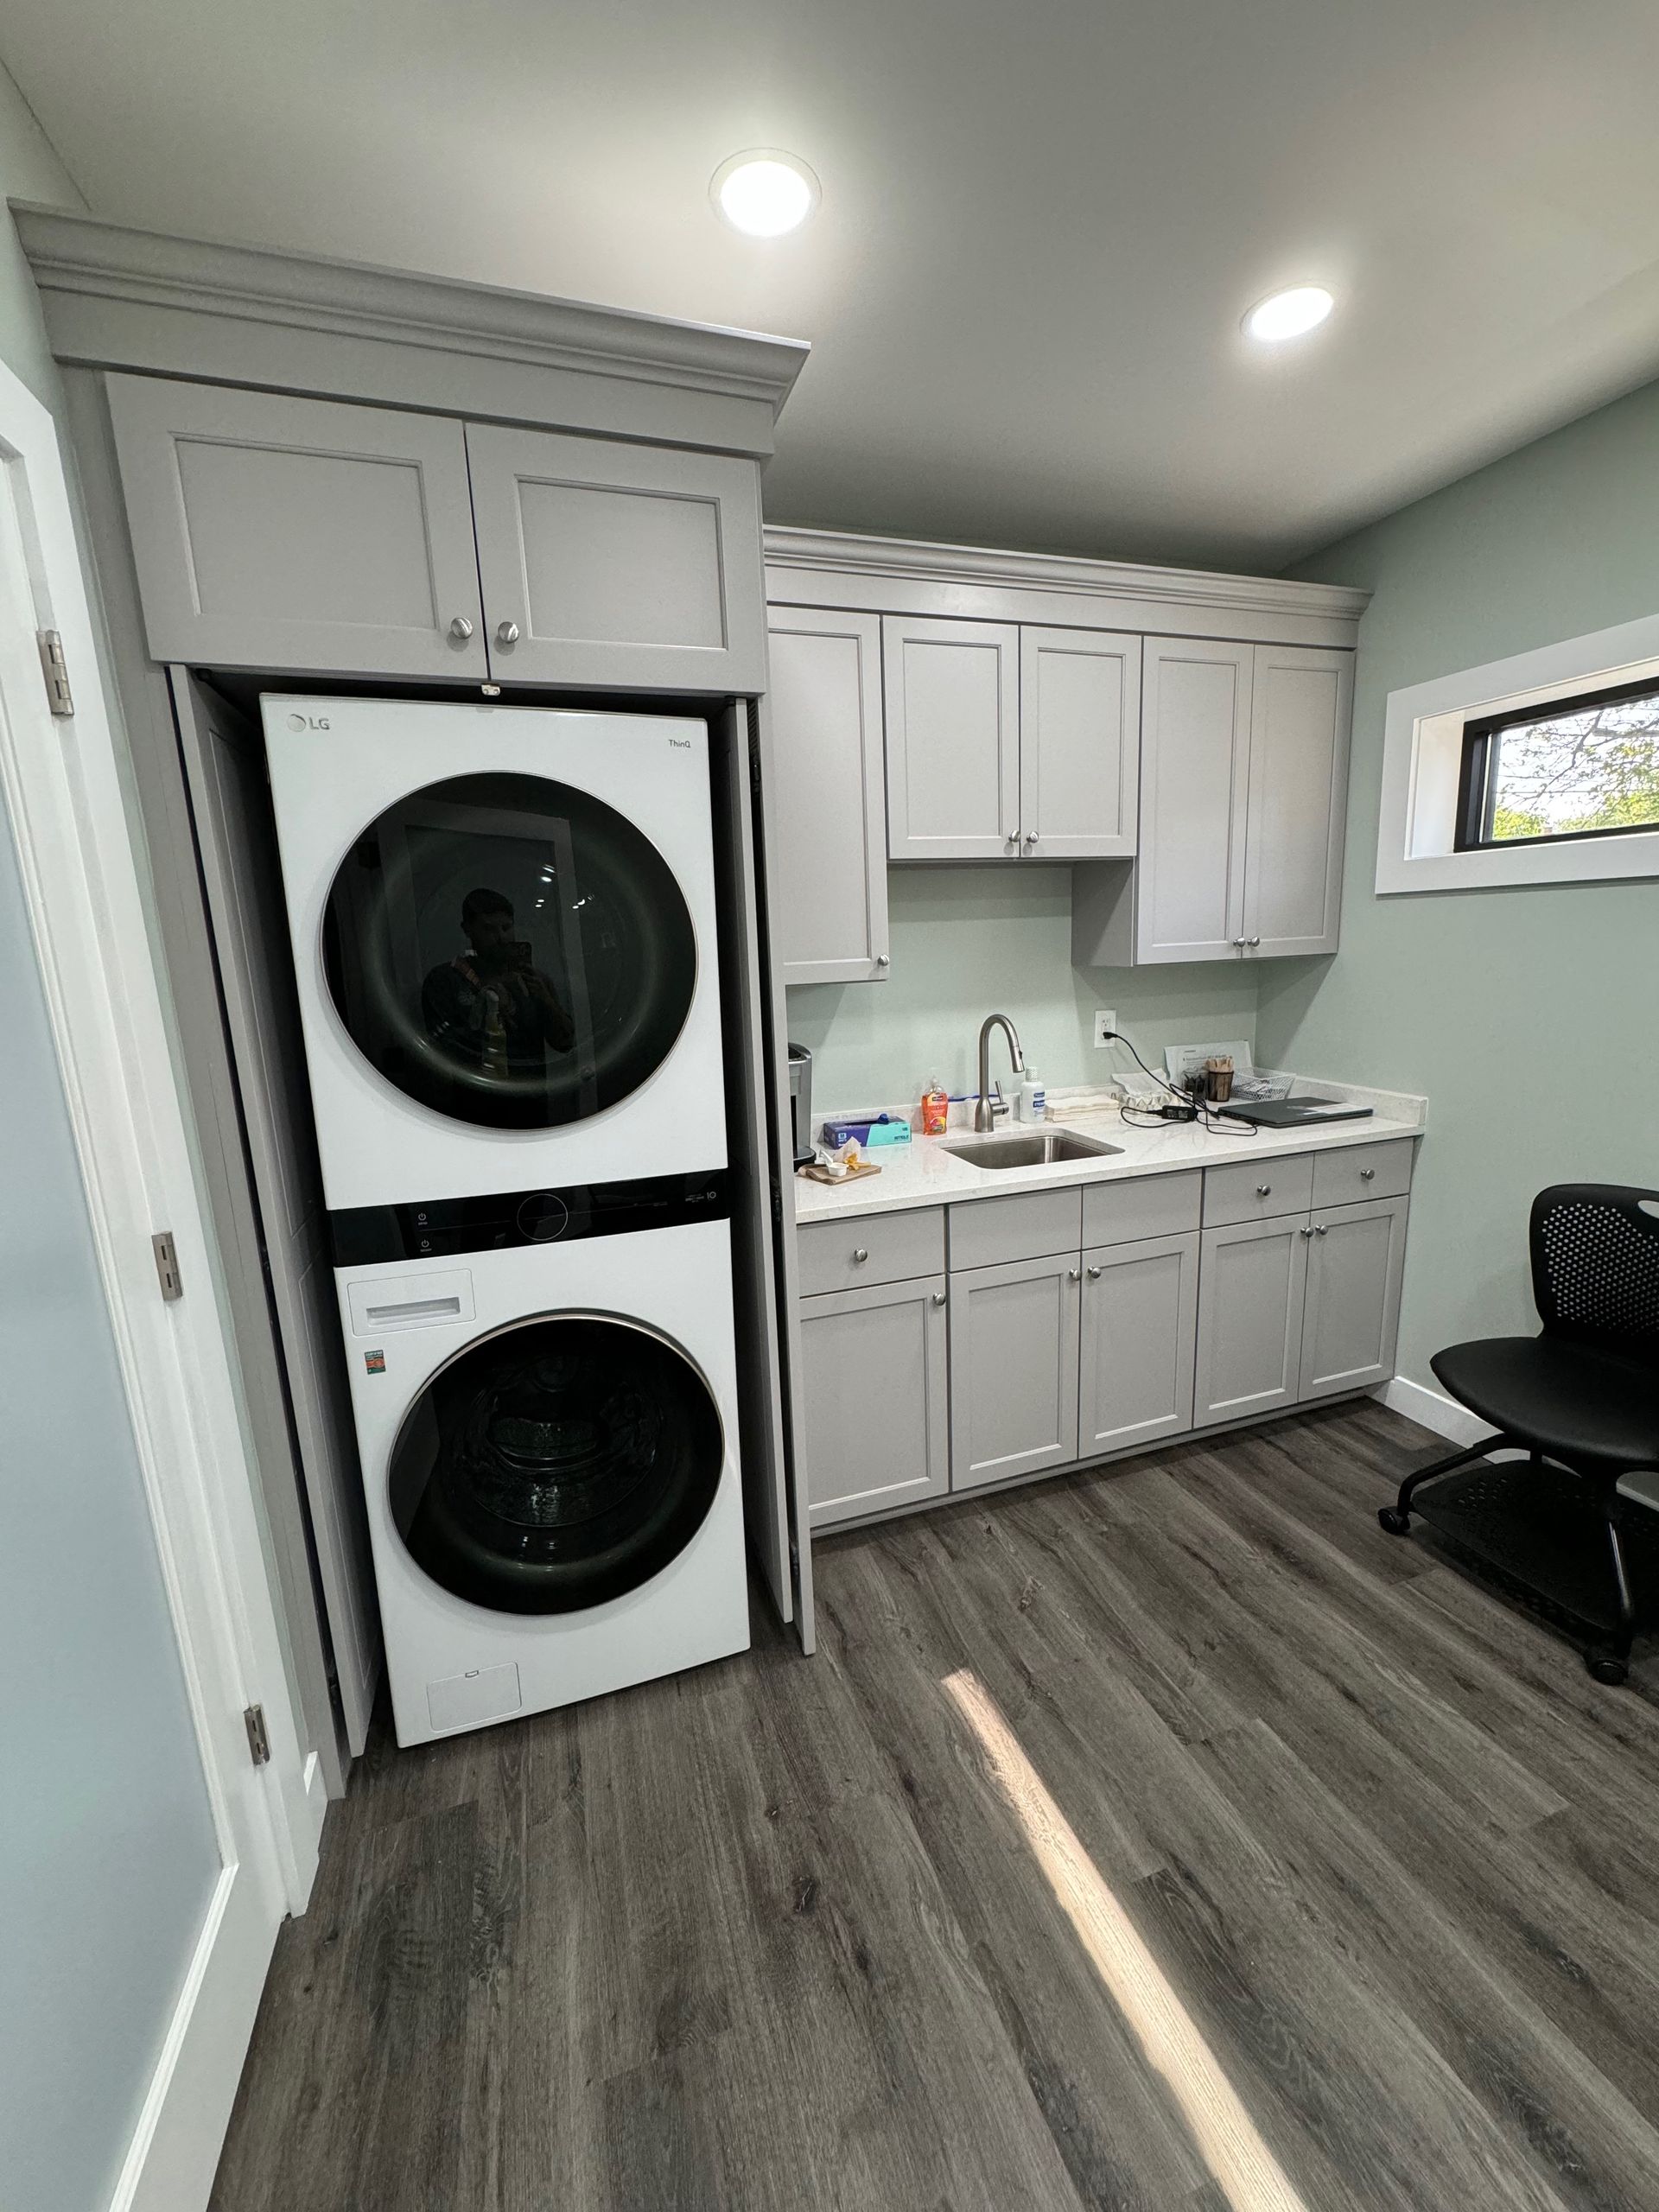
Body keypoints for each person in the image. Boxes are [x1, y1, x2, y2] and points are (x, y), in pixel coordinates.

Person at [421, 887, 575, 1091]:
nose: (501, 937)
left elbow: (564, 1043)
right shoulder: (445, 980)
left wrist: (545, 1000)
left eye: (506, 927)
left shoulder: (534, 980)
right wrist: (486, 1010)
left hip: (530, 1101)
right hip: (471, 1100)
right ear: (467, 929)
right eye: (489, 929)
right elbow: (441, 1049)